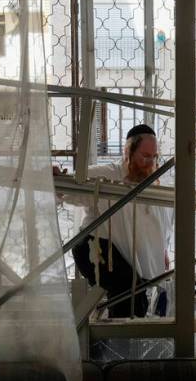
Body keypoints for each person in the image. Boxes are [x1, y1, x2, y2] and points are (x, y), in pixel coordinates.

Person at [55, 124, 172, 318]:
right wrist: (58, 178)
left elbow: (155, 222)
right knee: (129, 292)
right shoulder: (108, 174)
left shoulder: (151, 180)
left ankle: (122, 340)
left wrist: (161, 250)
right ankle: (119, 341)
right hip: (95, 248)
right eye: (144, 156)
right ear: (128, 152)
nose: (150, 162)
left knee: (138, 294)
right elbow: (72, 187)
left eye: (154, 157)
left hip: (122, 253)